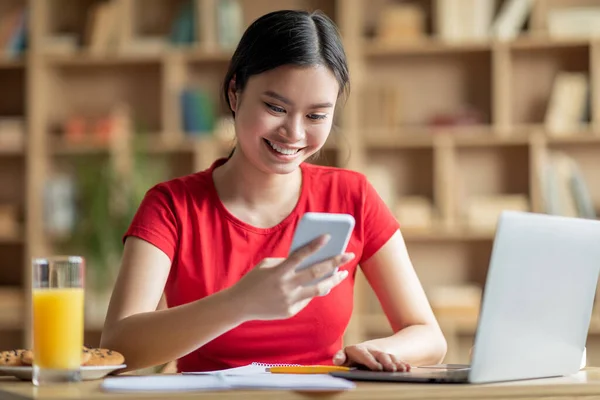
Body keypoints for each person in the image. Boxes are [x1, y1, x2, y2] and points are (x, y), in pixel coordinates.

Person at [100, 9, 447, 373]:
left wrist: (373, 350)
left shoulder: (352, 196)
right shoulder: (172, 206)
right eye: (275, 107)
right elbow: (119, 345)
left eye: (315, 116)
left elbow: (427, 335)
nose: (294, 134)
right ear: (235, 93)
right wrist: (241, 302)